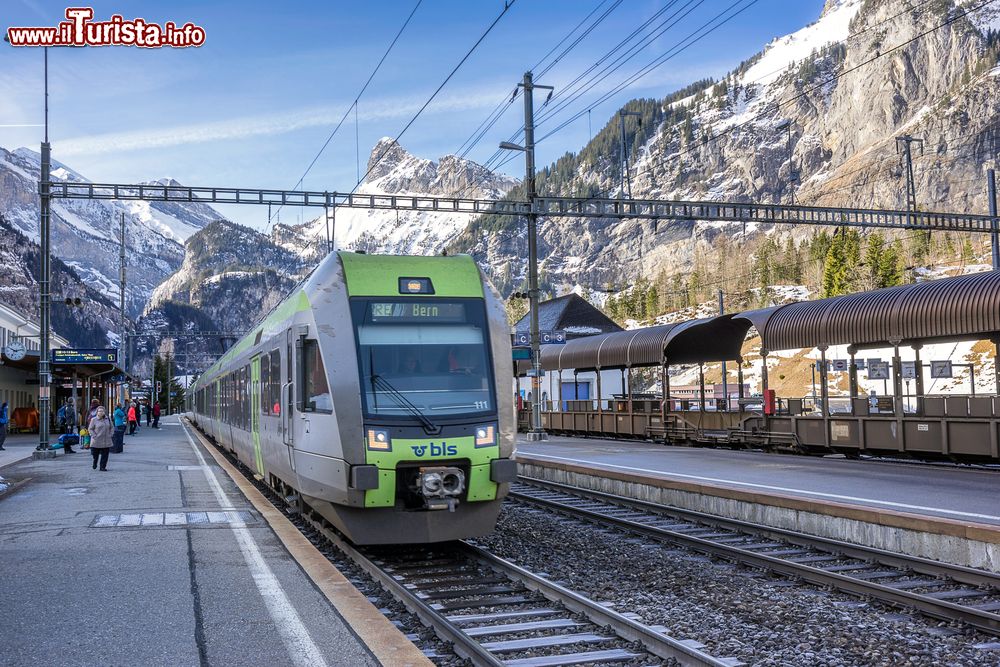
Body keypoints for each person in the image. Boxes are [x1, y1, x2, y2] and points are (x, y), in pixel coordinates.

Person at [87, 406, 113, 471]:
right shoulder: (94, 420)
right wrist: (94, 436)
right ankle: (95, 462)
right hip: (97, 440)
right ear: (97, 412)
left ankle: (102, 467)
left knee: (105, 455)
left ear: (104, 412)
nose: (101, 412)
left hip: (106, 440)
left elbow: (112, 427)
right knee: (95, 455)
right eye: (99, 411)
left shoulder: (108, 419)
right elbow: (90, 429)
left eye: (102, 411)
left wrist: (111, 434)